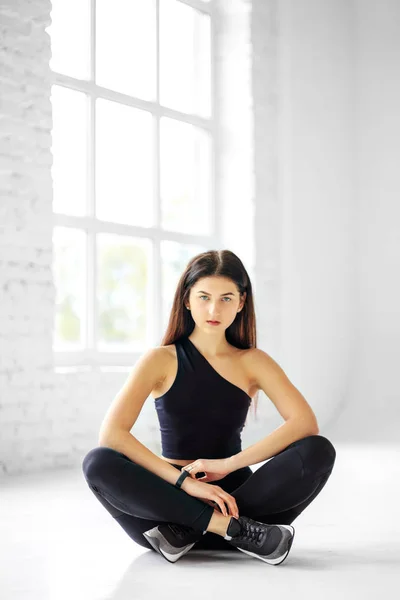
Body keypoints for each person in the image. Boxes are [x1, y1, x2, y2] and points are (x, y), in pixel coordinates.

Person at [82, 249, 336, 565]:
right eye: (204, 297)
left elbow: (304, 423)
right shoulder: (160, 360)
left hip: (230, 505)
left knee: (318, 450)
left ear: (242, 302)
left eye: (226, 298)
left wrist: (227, 465)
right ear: (187, 300)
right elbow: (112, 435)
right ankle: (228, 528)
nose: (214, 308)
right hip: (169, 503)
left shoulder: (253, 362)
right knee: (97, 462)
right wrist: (184, 484)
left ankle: (198, 527)